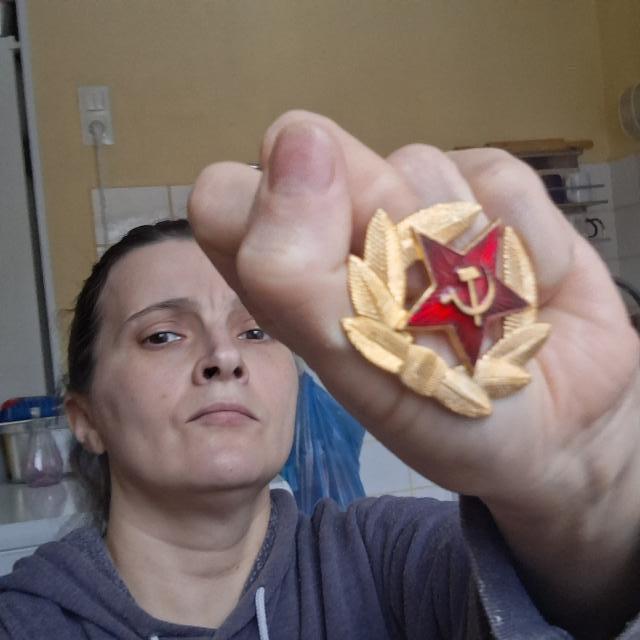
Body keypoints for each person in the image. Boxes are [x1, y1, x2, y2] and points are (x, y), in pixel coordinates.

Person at [0, 110, 638, 639]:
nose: (225, 357)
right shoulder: (24, 620)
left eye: (257, 331)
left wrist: (584, 488)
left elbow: (564, 607)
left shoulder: (389, 562)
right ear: (84, 418)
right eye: (162, 335)